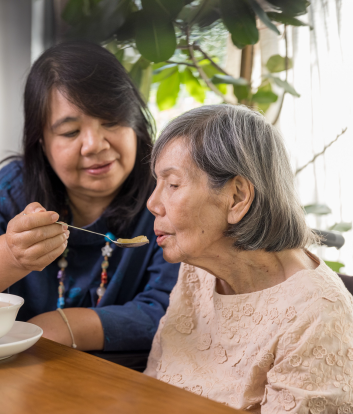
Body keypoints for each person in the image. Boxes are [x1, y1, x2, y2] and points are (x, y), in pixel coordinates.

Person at [0, 41, 179, 352]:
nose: (94, 144)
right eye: (70, 132)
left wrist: (64, 326)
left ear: (135, 122)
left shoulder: (167, 197)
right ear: (41, 141)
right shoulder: (17, 187)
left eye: (111, 121)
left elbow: (172, 310)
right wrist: (10, 255)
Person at [144, 104, 353, 412]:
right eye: (157, 183)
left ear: (237, 197)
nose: (152, 203)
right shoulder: (197, 272)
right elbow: (152, 386)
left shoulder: (317, 314)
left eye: (173, 184)